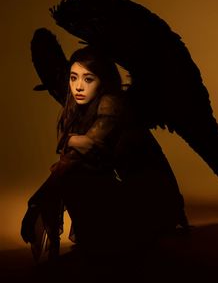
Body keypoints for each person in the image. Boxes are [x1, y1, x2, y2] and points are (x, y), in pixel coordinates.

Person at [21, 44, 188, 262]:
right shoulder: (80, 108)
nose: (78, 86)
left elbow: (91, 144)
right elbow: (75, 158)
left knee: (73, 171)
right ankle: (97, 239)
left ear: (103, 81)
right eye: (73, 78)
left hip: (147, 196)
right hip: (121, 187)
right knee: (71, 170)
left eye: (88, 79)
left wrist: (66, 139)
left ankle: (109, 242)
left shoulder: (112, 101)